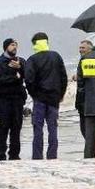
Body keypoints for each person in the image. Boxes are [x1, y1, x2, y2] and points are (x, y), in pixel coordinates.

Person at [25, 32, 68, 160]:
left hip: (39, 99)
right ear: (47, 42)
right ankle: (52, 155)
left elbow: (28, 80)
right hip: (54, 99)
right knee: (53, 128)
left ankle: (37, 156)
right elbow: (63, 77)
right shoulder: (56, 56)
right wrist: (60, 94)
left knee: (38, 128)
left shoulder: (32, 59)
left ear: (35, 44)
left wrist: (34, 94)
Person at [0, 38, 28, 161]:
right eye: (12, 45)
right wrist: (15, 76)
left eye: (16, 45)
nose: (15, 47)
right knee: (2, 129)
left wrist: (20, 69)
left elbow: (27, 76)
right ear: (6, 47)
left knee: (16, 129)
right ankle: (0, 156)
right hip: (4, 100)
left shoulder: (21, 61)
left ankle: (14, 155)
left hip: (17, 100)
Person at [75, 40, 93, 139]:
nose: (80, 50)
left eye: (83, 48)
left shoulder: (88, 60)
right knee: (84, 131)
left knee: (88, 131)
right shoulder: (82, 60)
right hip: (82, 101)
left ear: (90, 49)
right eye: (80, 48)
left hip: (88, 101)